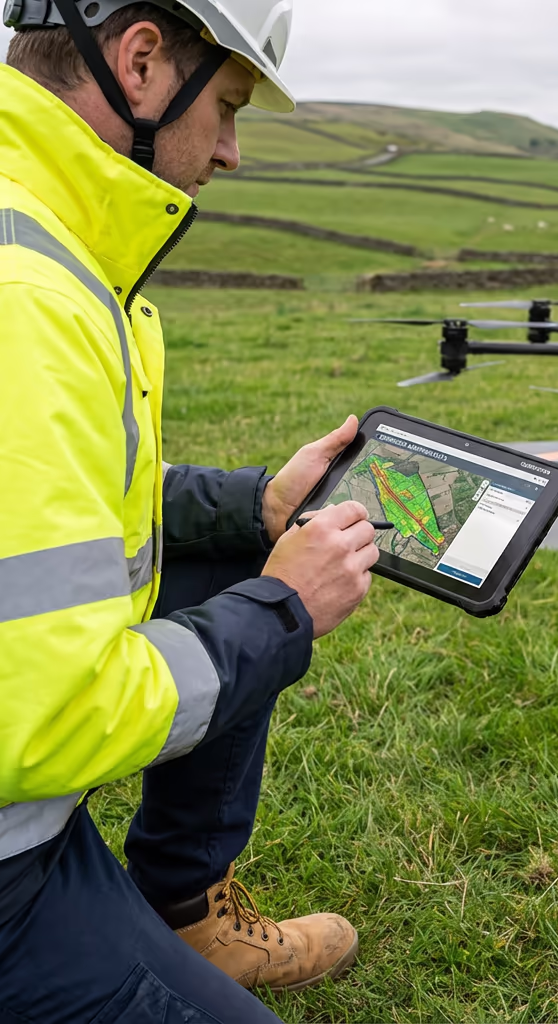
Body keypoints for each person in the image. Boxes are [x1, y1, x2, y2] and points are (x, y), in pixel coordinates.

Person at [0, 1, 379, 1019]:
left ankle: (184, 910)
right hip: (9, 855)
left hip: (26, 821)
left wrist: (260, 505)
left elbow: (62, 510)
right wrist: (282, 611)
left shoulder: (43, 237)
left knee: (235, 553)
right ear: (139, 63)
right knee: (255, 593)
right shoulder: (27, 297)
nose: (232, 151)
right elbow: (49, 719)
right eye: (229, 106)